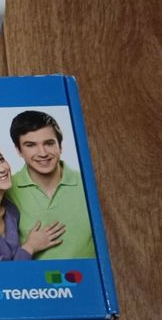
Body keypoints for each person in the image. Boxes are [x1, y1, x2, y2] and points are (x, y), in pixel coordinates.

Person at [6, 111, 96, 259]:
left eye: (49, 143)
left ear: (60, 146)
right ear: (19, 151)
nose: (42, 153)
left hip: (85, 273)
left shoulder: (90, 183)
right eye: (31, 145)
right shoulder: (6, 190)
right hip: (34, 274)